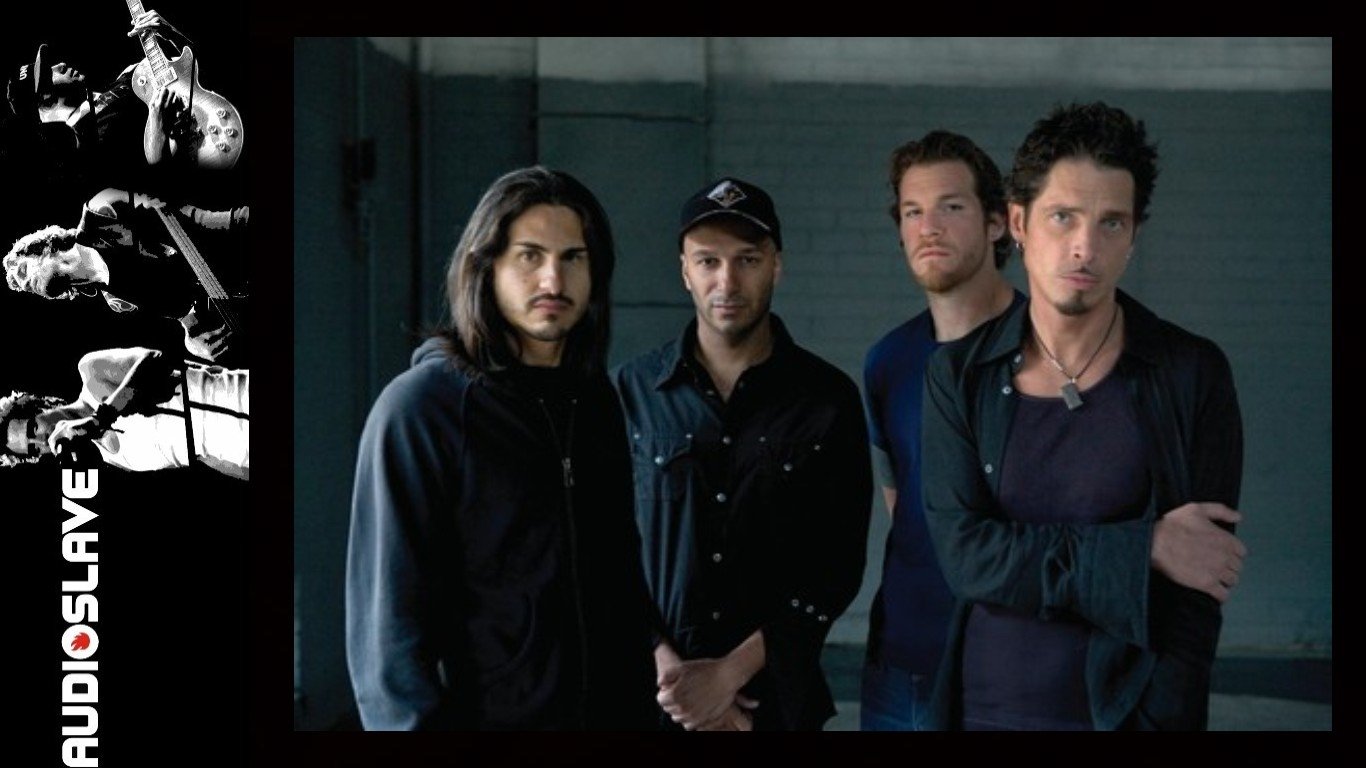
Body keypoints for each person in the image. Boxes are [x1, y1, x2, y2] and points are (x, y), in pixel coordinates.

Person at [921, 101, 1247, 730]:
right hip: (987, 711)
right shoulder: (958, 376)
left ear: (1134, 236)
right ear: (1019, 222)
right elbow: (967, 558)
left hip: (1128, 716)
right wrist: (1145, 548)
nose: (1085, 248)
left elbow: (1200, 581)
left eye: (1111, 223)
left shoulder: (1190, 373)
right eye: (1063, 217)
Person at [346, 166, 657, 730]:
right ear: (486, 265)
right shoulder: (421, 410)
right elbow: (386, 638)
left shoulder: (594, 402)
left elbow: (620, 578)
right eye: (529, 256)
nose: (553, 280)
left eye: (573, 257)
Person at [613, 177, 872, 731]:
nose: (726, 281)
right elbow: (602, 548)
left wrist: (728, 674)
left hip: (775, 705)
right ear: (684, 271)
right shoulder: (630, 393)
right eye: (708, 261)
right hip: (653, 701)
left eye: (747, 260)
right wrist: (674, 676)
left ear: (776, 265)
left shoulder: (828, 399)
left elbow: (836, 565)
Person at [859, 130, 1023, 731]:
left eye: (951, 206)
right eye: (913, 211)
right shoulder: (888, 361)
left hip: (1015, 669)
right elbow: (901, 504)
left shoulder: (1048, 347)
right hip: (903, 667)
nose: (929, 227)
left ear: (997, 222)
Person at [3, 185, 248, 362]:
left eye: (23, 270)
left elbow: (180, 212)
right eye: (25, 288)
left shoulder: (101, 210)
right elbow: (184, 314)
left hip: (237, 236)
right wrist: (192, 339)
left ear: (45, 246)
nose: (26, 284)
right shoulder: (116, 302)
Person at [0, 345, 248, 480]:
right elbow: (202, 456)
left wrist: (99, 418)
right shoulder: (115, 460)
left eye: (33, 428)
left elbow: (156, 360)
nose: (41, 441)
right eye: (33, 449)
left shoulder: (91, 373)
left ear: (42, 406)